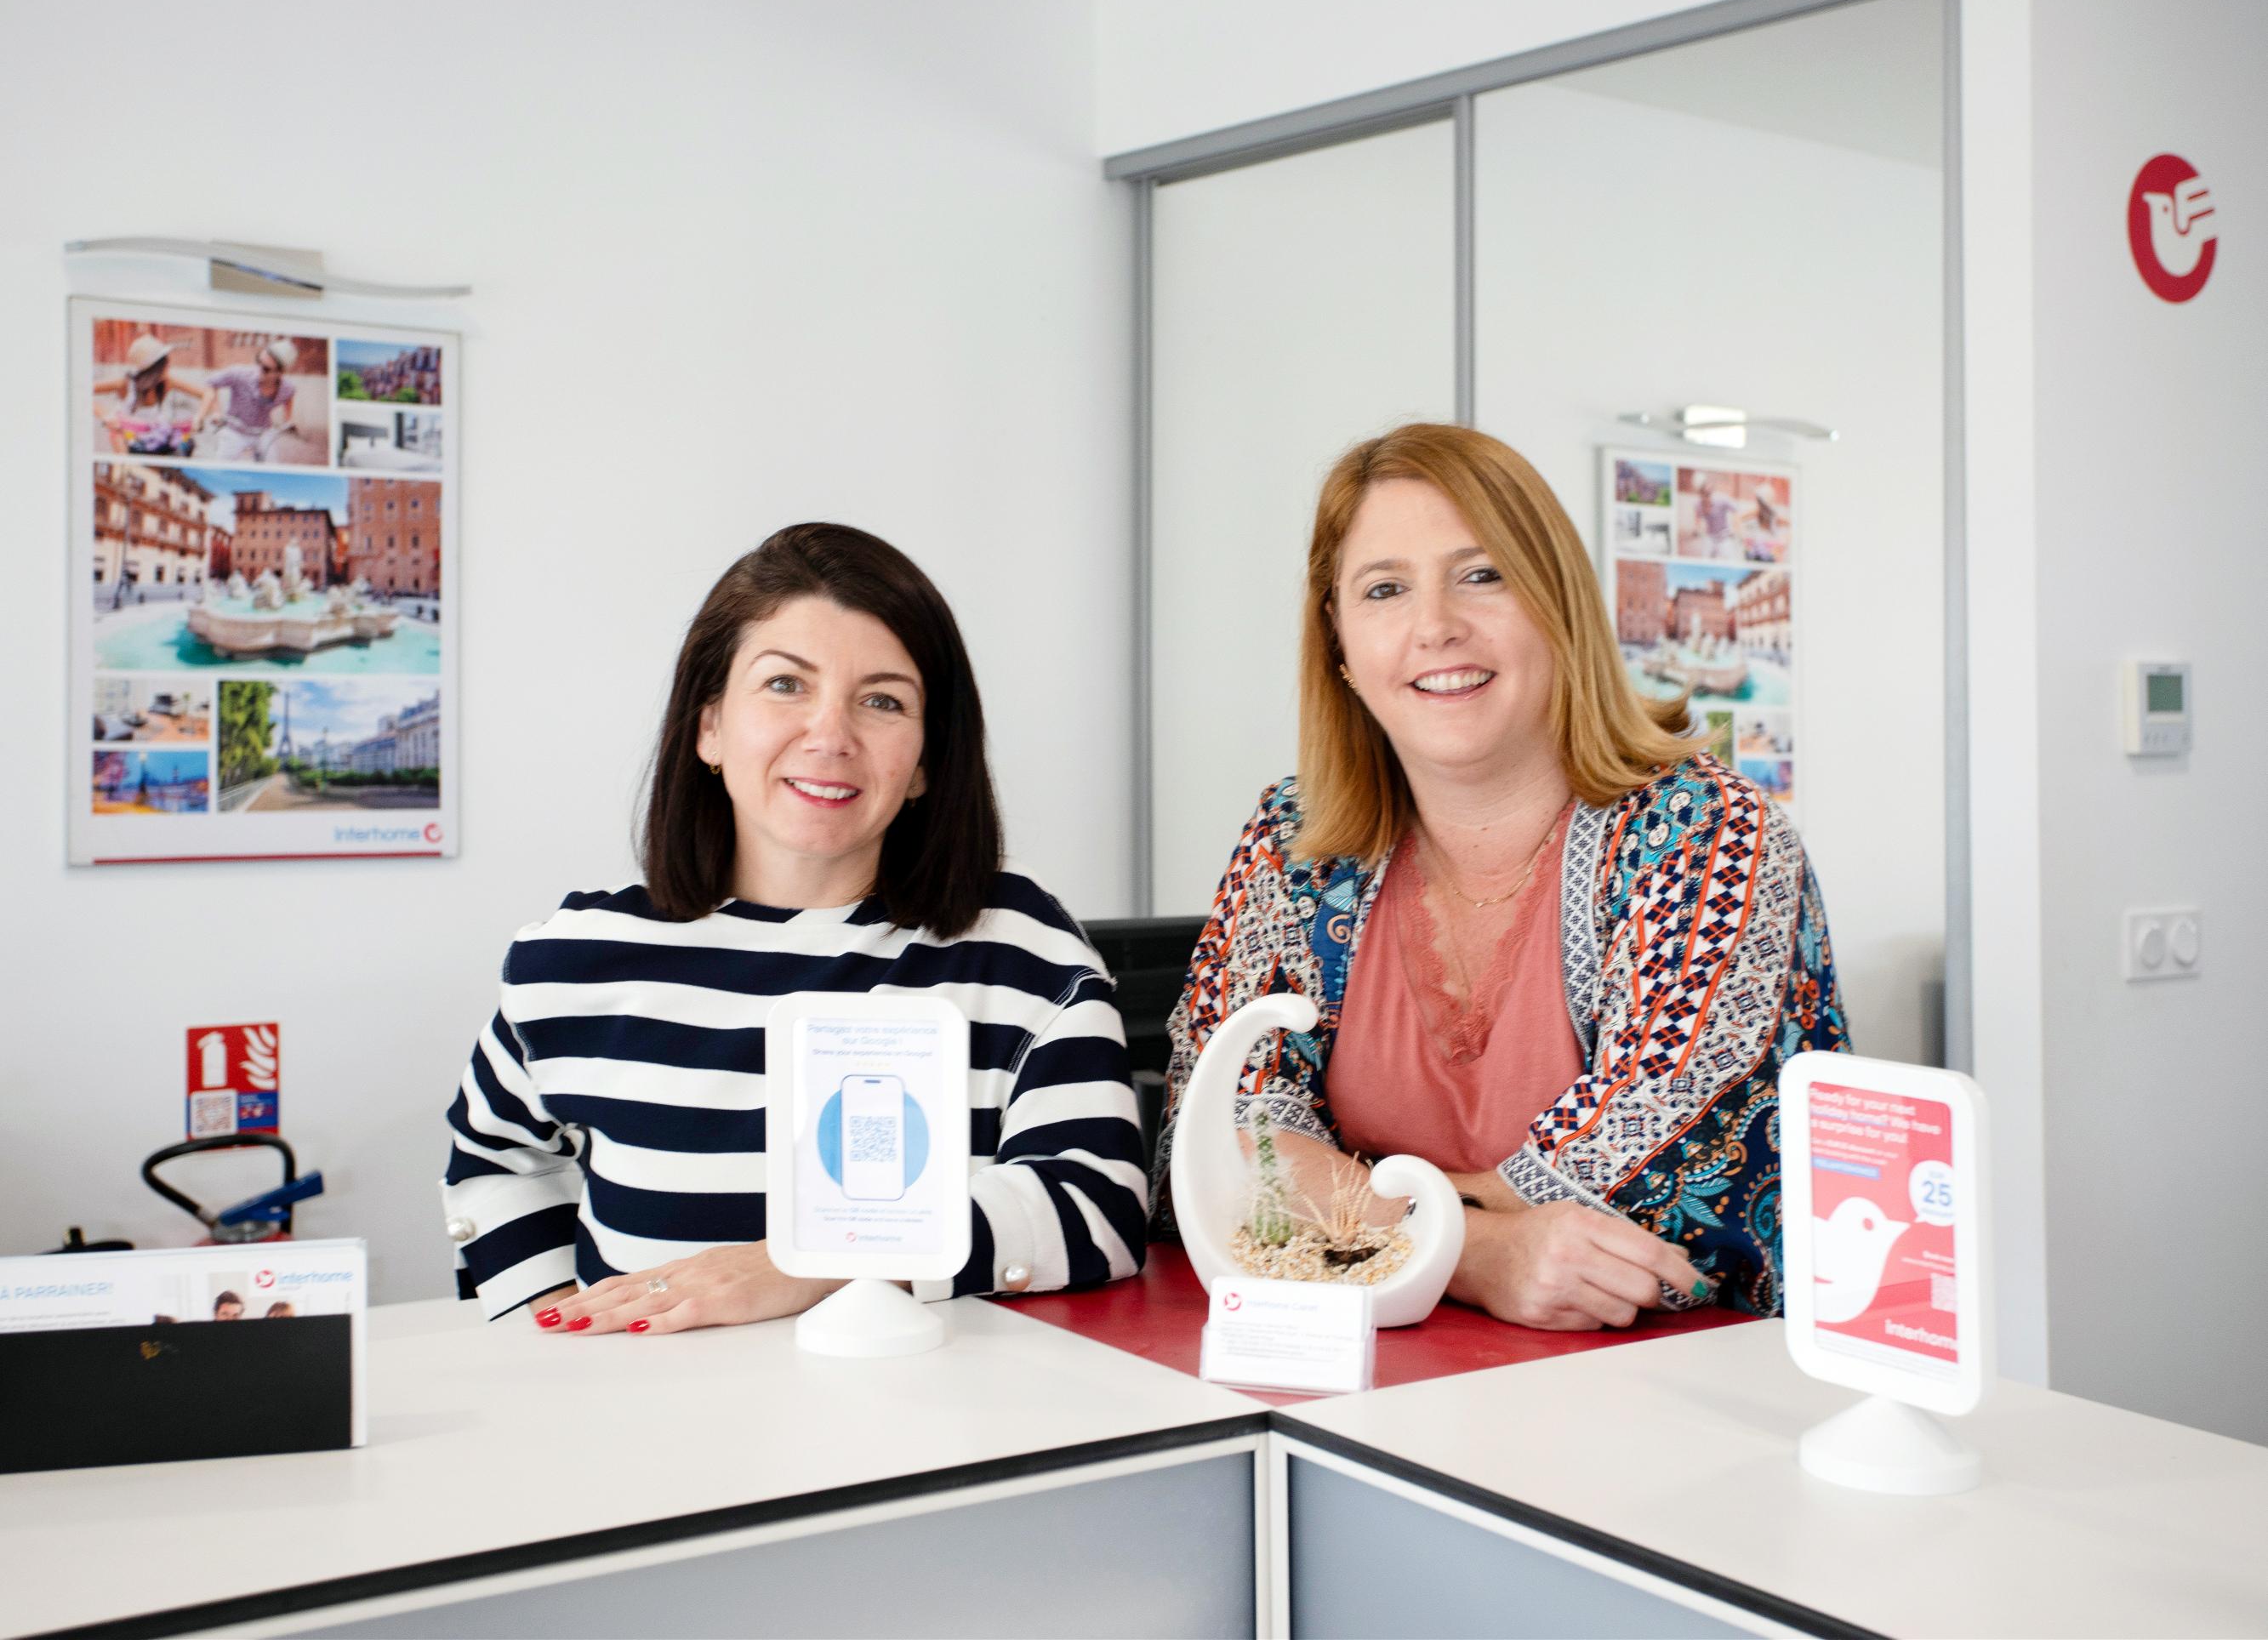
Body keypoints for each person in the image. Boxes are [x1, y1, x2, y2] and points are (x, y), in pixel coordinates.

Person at [1154, 424, 1846, 1329]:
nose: (1435, 625)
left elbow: (1653, 1191)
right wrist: (1474, 1252)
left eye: (1481, 575)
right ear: (1339, 643)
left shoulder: (1707, 832)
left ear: (1558, 602)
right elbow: (1221, 1142)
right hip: (1360, 1377)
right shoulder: (1293, 840)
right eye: (1384, 589)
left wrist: (1342, 1210)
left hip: (1679, 1378)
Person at [442, 523, 1145, 1332]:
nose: (830, 737)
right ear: (709, 725)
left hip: (922, 1402)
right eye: (785, 685)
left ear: (925, 761)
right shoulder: (572, 959)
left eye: (882, 701)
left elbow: (1097, 1204)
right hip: (641, 1406)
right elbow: (494, 1162)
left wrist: (800, 1263)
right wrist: (553, 1326)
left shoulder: (1023, 954)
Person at [94, 334, 201, 456]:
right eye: (166, 363)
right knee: (118, 437)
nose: (169, 366)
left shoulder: (167, 382)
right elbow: (83, 390)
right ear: (156, 369)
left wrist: (199, 417)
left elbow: (205, 393)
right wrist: (105, 415)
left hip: (156, 443)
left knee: (183, 446)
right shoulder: (126, 383)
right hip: (130, 444)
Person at [201, 339, 302, 463]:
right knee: (221, 465)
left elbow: (289, 396)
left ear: (280, 373)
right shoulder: (240, 374)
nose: (258, 369)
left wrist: (288, 419)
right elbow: (211, 383)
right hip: (234, 430)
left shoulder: (287, 388)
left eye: (265, 369)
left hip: (263, 432)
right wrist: (216, 411)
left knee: (272, 466)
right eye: (258, 361)